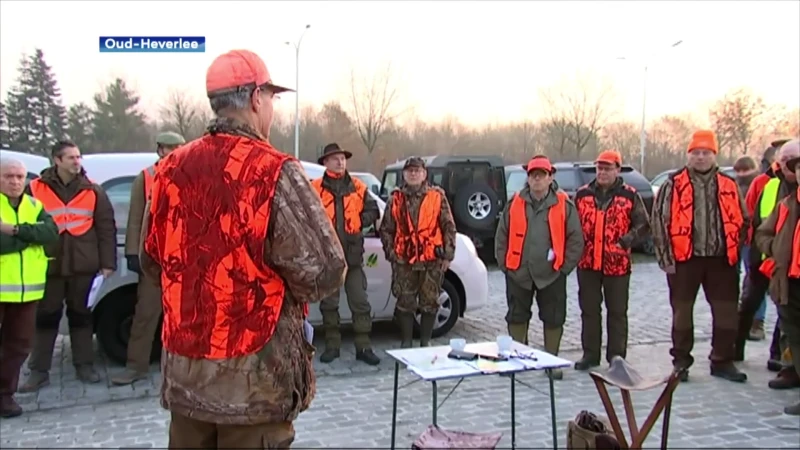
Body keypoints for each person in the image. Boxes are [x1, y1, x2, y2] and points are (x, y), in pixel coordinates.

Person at [141, 49, 347, 448]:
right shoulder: (273, 170)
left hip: (186, 380)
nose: (271, 108)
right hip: (253, 386)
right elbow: (324, 270)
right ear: (256, 98)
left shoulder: (168, 170)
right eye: (271, 98)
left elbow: (152, 261)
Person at [651, 130, 749, 383]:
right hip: (685, 259)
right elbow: (660, 222)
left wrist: (735, 249)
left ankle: (722, 360)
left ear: (714, 155)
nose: (701, 157)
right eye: (696, 153)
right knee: (682, 313)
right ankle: (681, 362)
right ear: (689, 155)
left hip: (721, 260)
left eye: (706, 153)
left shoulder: (729, 184)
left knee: (726, 312)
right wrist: (666, 259)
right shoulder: (673, 183)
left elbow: (744, 220)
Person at [19, 141, 117, 391]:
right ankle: (38, 370)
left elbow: (106, 228)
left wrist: (107, 263)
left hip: (83, 265)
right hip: (48, 265)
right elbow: (25, 225)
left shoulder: (93, 190)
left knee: (82, 317)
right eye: (71, 157)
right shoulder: (34, 189)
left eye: (78, 157)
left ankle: (84, 365)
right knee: (45, 318)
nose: (77, 162)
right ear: (56, 160)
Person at [494, 155, 584, 380]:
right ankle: (516, 360)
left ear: (550, 177)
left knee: (553, 318)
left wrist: (564, 268)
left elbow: (576, 239)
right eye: (533, 175)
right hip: (518, 272)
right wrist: (505, 266)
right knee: (516, 316)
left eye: (541, 175)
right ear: (528, 178)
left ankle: (551, 362)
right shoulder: (515, 202)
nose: (537, 179)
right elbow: (501, 236)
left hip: (551, 274)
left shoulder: (564, 204)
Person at [110, 131, 186, 386]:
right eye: (169, 147)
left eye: (178, 146)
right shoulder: (145, 178)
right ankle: (136, 367)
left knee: (184, 318)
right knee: (146, 314)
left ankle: (181, 370)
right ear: (160, 149)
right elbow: (135, 218)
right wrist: (134, 252)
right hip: (155, 257)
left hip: (184, 257)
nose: (174, 151)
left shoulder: (192, 172)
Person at [573, 150, 650, 371]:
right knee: (589, 311)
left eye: (608, 168)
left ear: (618, 170)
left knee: (617, 312)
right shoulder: (582, 195)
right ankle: (590, 354)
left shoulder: (630, 195)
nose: (603, 172)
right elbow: (571, 226)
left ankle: (617, 357)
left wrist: (625, 242)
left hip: (616, 264)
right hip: (587, 263)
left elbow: (644, 225)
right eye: (600, 168)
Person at [736, 140, 800, 390]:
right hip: (766, 262)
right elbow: (757, 223)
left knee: (788, 324)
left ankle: (786, 363)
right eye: (786, 161)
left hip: (790, 269)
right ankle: (737, 349)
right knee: (752, 304)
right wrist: (773, 250)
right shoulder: (769, 186)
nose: (789, 167)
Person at [311, 142, 381, 366]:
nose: (340, 162)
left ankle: (364, 347)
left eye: (343, 158)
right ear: (325, 162)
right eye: (335, 159)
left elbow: (374, 210)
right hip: (328, 259)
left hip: (353, 257)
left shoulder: (358, 187)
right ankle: (333, 346)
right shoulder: (315, 188)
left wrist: (361, 221)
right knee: (329, 305)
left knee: (360, 303)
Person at [0, 157, 58, 418]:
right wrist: (28, 237)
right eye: (8, 176)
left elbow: (50, 234)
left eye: (19, 177)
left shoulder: (34, 205)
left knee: (19, 345)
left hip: (27, 292)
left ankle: (4, 395)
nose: (14, 182)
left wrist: (12, 230)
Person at [378, 156, 456, 348]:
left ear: (424, 174)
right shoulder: (395, 198)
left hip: (431, 259)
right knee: (405, 302)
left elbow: (448, 226)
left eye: (417, 171)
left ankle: (425, 342)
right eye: (410, 171)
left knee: (430, 301)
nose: (413, 174)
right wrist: (391, 254)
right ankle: (406, 343)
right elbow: (386, 229)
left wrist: (447, 255)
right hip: (404, 261)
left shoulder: (437, 196)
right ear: (404, 174)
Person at [754, 151, 800, 415]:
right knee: (795, 338)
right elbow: (762, 232)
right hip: (789, 283)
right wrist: (776, 248)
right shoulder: (786, 204)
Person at [732, 155, 766, 340]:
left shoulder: (760, 185)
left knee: (754, 282)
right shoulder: (733, 186)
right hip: (735, 239)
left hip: (753, 240)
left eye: (745, 170)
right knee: (735, 281)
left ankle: (757, 322)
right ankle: (739, 319)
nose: (742, 174)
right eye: (739, 171)